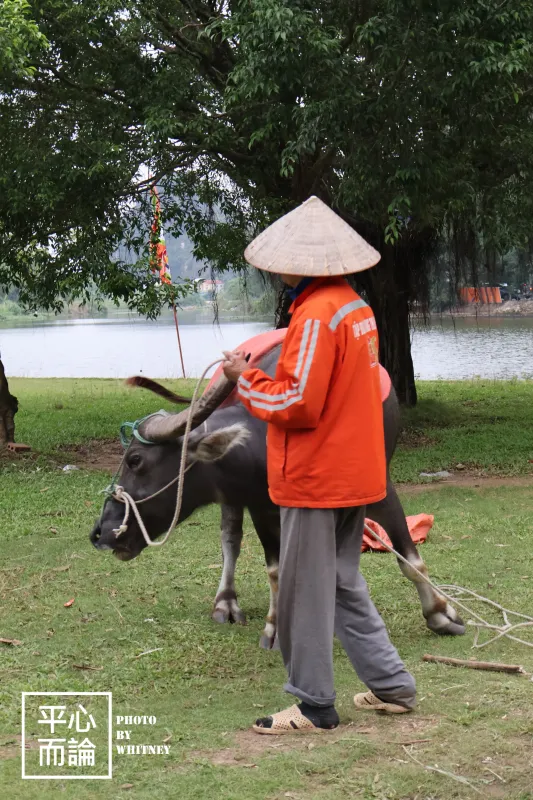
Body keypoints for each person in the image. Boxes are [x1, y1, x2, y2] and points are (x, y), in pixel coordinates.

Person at [222, 196, 416, 735]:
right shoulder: (355, 308)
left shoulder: (314, 316)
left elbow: (298, 403)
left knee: (303, 592)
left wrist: (244, 379)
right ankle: (393, 686)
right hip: (354, 474)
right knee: (340, 583)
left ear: (298, 264)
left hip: (316, 479)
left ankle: (313, 706)